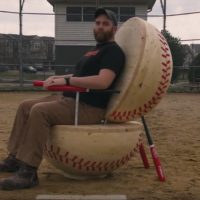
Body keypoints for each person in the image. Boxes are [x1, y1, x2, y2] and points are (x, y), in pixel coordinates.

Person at [0, 8, 125, 190]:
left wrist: (68, 79)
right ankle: (15, 159)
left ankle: (29, 171)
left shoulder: (114, 52)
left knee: (39, 111)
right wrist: (58, 78)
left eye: (105, 24)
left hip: (88, 107)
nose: (100, 27)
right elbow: (81, 75)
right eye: (97, 23)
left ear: (114, 28)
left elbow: (103, 81)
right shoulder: (95, 51)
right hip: (70, 99)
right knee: (25, 106)